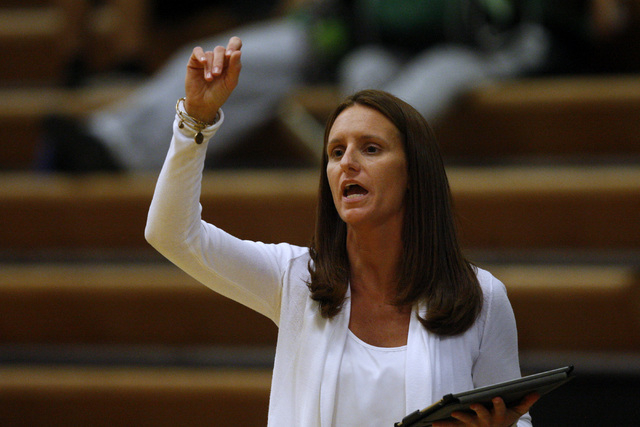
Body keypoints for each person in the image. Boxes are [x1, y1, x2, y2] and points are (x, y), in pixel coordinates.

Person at [145, 36, 540, 426]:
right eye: (336, 152)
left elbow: (515, 419)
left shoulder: (482, 299)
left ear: (413, 174)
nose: (347, 162)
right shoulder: (295, 278)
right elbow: (172, 234)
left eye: (370, 148)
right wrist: (194, 121)